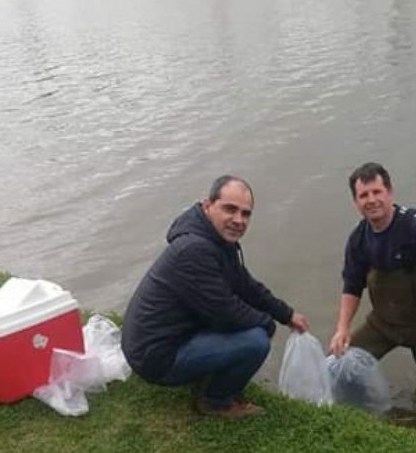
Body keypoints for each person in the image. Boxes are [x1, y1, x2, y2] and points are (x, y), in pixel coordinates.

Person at [122, 175, 309, 418]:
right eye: (230, 209)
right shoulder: (195, 250)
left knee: (253, 328)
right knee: (256, 340)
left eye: (246, 213)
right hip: (155, 358)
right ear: (208, 205)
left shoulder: (215, 239)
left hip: (162, 340)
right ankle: (216, 401)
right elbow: (227, 313)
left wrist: (287, 314)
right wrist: (268, 324)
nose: (238, 220)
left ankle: (208, 373)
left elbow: (244, 284)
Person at [329, 162, 416, 391]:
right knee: (341, 365)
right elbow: (352, 285)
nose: (371, 200)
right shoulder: (358, 238)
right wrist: (342, 328)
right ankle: (357, 412)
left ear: (390, 193)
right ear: (356, 202)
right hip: (385, 322)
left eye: (377, 192)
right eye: (363, 195)